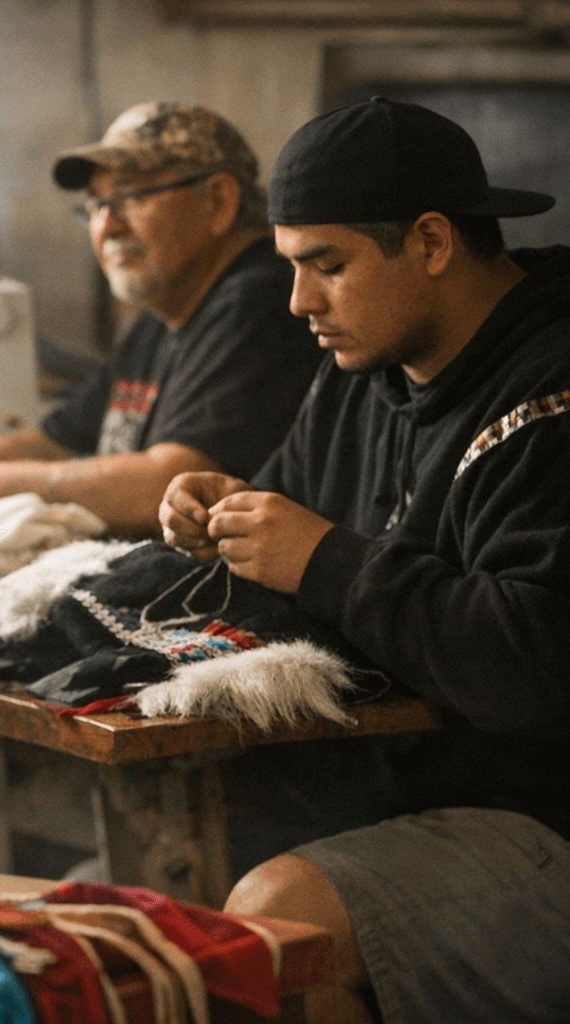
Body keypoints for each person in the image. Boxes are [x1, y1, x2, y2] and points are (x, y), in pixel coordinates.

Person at [161, 98, 570, 1023]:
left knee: (277, 924)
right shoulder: (367, 371)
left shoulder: (551, 394)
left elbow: (538, 668)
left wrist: (327, 562)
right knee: (142, 911)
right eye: (293, 267)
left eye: (327, 265)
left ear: (430, 241)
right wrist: (219, 511)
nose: (299, 302)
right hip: (408, 784)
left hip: (543, 814)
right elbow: (295, 521)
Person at [0, 101, 323, 536]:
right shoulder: (167, 312)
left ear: (218, 201)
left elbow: (165, 484)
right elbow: (55, 441)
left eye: (130, 197)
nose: (107, 226)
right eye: (96, 205)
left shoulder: (261, 301)